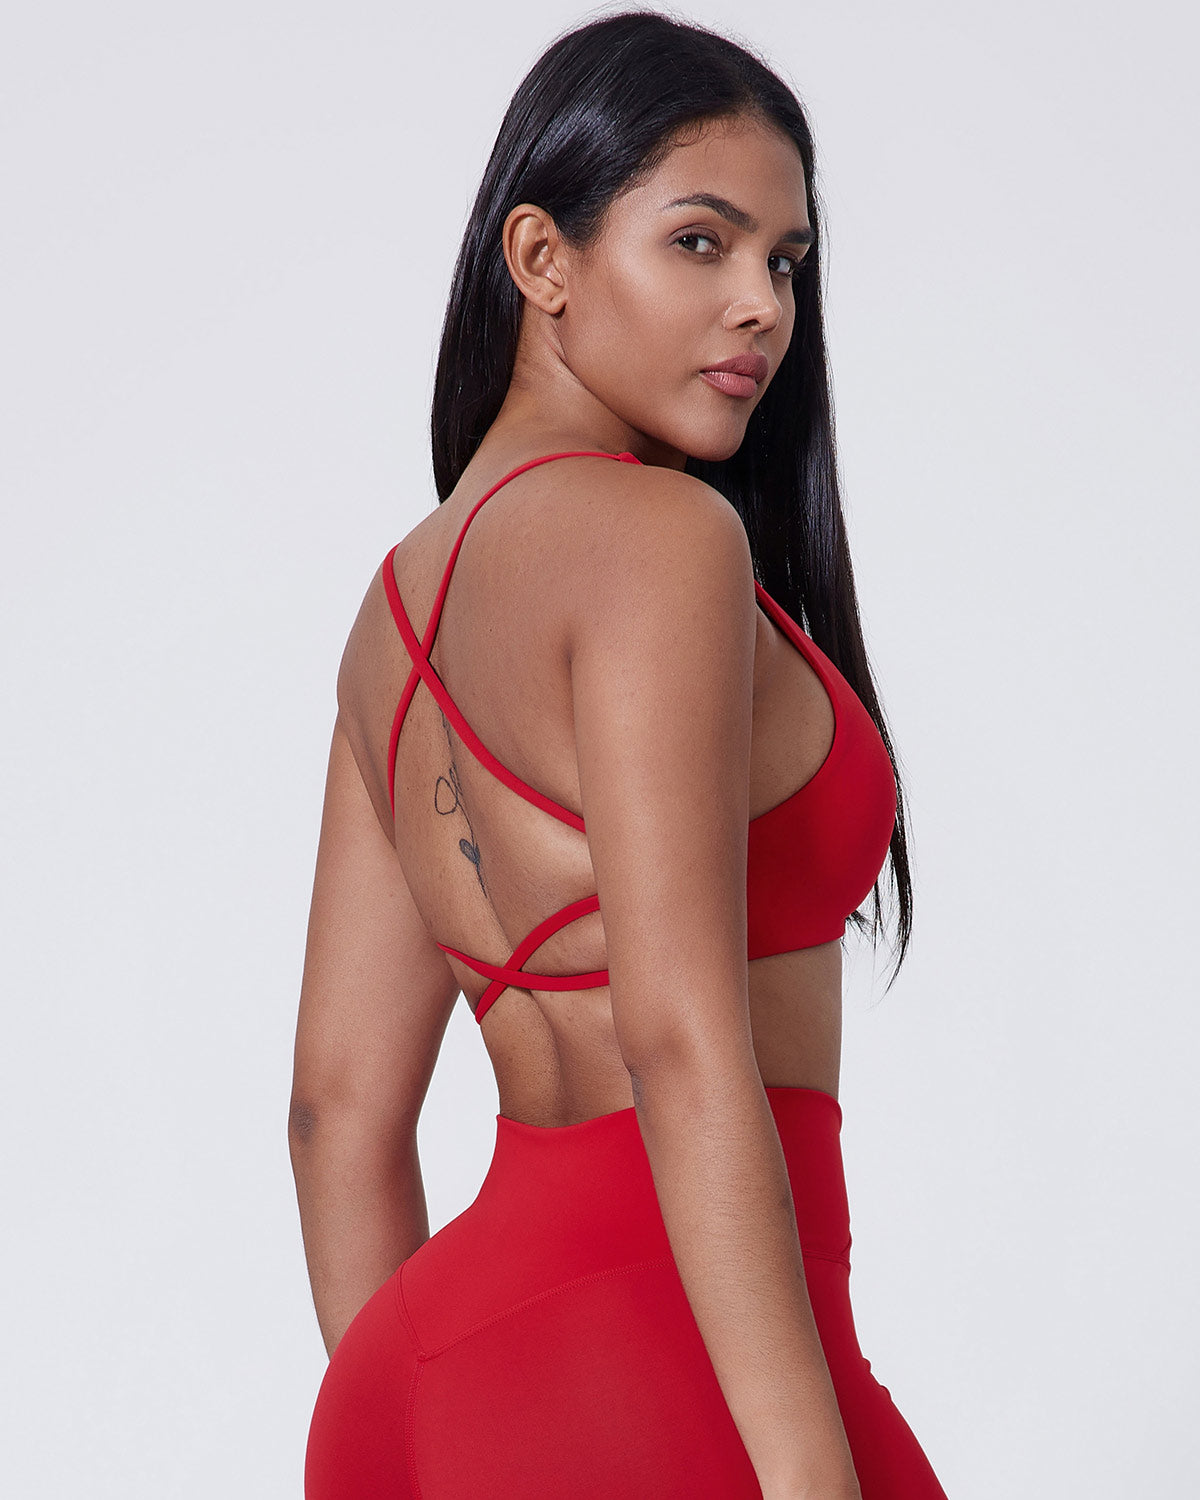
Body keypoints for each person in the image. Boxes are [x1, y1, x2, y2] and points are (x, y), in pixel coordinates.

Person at [289, 10, 948, 1497]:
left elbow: (335, 1111)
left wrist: (449, 1426)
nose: (761, 307)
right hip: (669, 1356)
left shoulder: (393, 613)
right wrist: (808, 1476)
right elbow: (677, 1038)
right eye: (701, 243)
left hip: (428, 1375)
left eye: (786, 262)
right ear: (542, 259)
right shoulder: (663, 541)